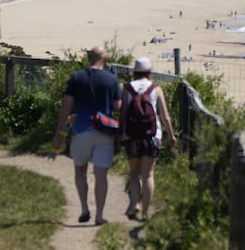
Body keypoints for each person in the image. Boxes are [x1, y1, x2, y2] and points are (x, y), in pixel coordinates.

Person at [56, 45, 121, 225]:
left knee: (80, 171)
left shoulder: (76, 77)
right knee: (101, 176)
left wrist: (59, 131)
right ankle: (99, 216)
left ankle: (85, 208)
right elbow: (118, 106)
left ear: (88, 59)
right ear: (104, 60)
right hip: (104, 131)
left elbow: (67, 105)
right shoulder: (112, 79)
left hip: (80, 130)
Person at [121, 57, 175, 222]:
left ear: (134, 72)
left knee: (134, 174)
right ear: (150, 72)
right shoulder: (155, 89)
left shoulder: (128, 89)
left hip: (131, 136)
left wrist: (120, 134)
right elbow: (165, 116)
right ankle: (144, 214)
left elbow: (123, 115)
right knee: (148, 175)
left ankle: (134, 204)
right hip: (152, 136)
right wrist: (171, 135)